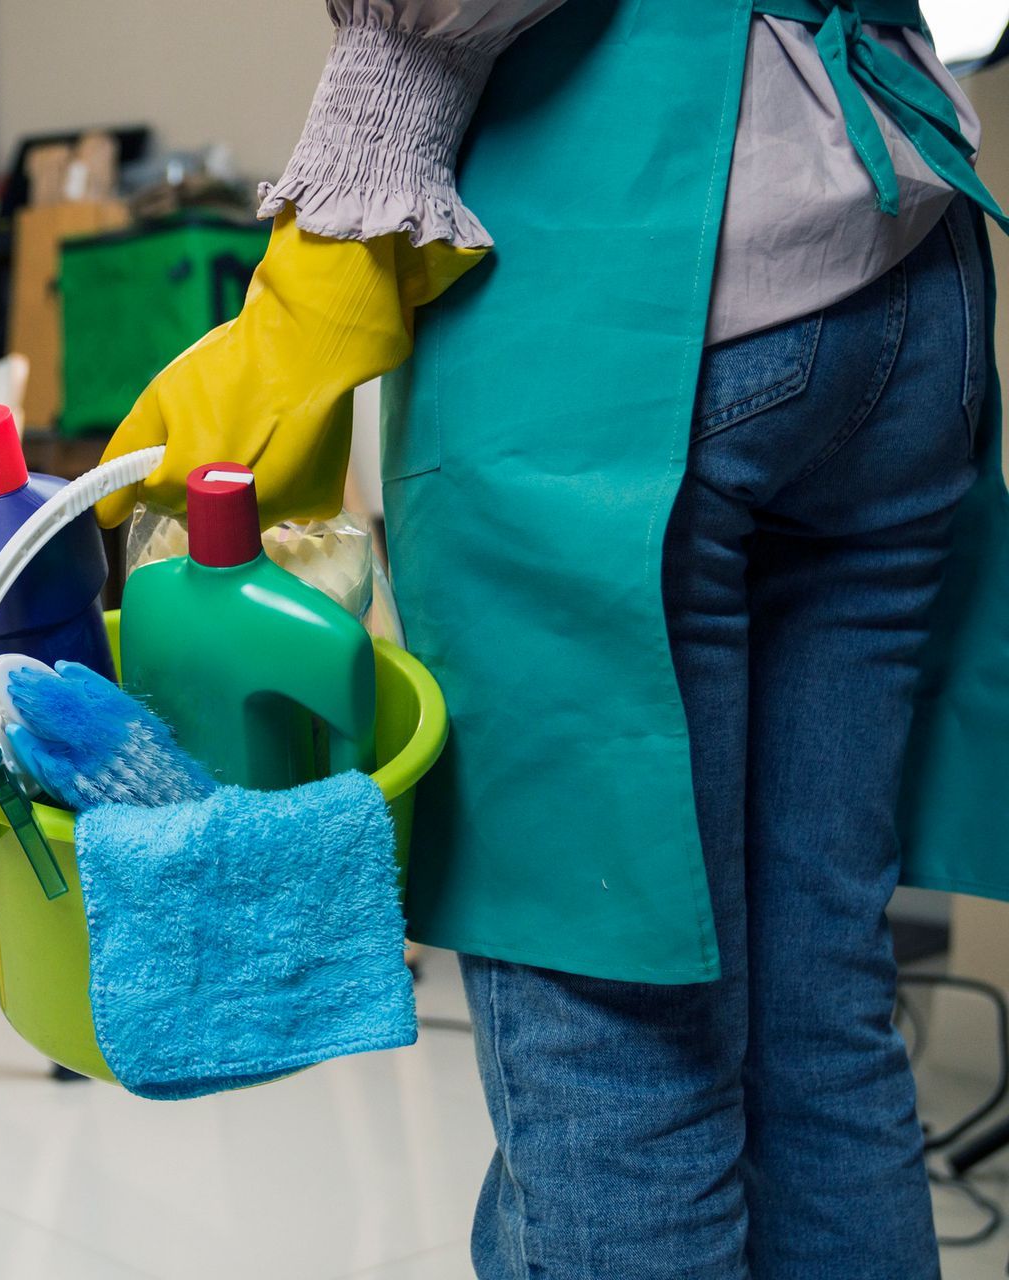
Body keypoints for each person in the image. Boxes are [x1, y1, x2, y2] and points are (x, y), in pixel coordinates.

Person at [99, 2, 1009, 1275]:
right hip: (903, 265)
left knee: (616, 1034)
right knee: (823, 1020)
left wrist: (353, 171)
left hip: (632, 290)